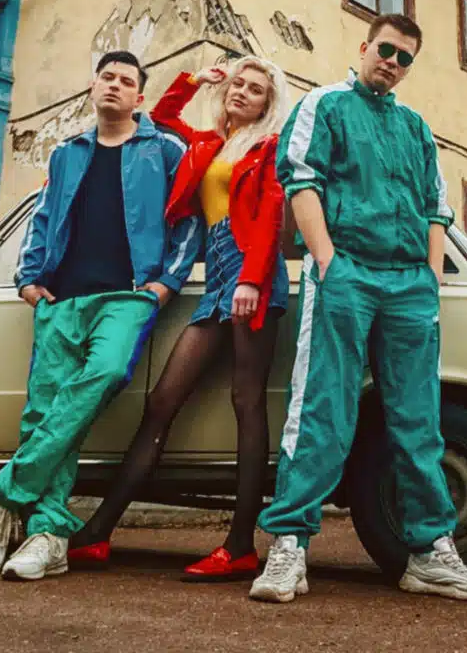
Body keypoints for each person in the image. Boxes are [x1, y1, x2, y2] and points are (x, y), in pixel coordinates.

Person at [248, 13, 467, 604]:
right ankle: (288, 545)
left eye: (405, 57)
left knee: (418, 419)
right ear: (365, 47)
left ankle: (430, 553)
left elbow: (436, 207)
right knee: (323, 407)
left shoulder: (416, 127)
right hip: (347, 273)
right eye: (386, 49)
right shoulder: (326, 105)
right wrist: (328, 262)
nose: (392, 62)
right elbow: (301, 181)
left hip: (410, 284)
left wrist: (430, 278)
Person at [0, 50, 202, 582]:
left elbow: (188, 218)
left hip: (127, 296)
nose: (114, 85)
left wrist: (165, 284)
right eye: (107, 77)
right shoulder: (67, 153)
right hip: (60, 299)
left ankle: (1, 490)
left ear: (139, 97)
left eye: (126, 80)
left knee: (106, 372)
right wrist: (28, 280)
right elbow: (44, 216)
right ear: (94, 86)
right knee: (46, 410)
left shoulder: (165, 149)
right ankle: (48, 535)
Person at [68, 55, 291, 582]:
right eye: (237, 83)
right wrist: (196, 79)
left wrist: (251, 280)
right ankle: (98, 533)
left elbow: (271, 211)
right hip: (217, 279)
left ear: (267, 105)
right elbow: (163, 118)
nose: (241, 91)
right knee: (162, 401)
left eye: (255, 89)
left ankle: (240, 545)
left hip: (252, 273)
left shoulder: (267, 147)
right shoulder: (208, 143)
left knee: (247, 402)